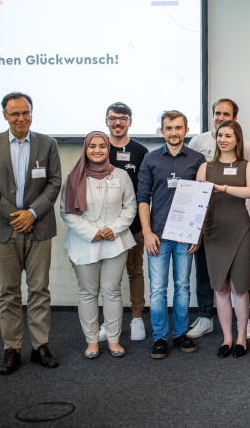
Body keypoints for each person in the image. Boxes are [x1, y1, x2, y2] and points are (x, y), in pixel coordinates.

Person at [0, 92, 62, 375]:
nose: (21, 118)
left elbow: (54, 182)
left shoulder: (47, 143)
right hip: (4, 229)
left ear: (31, 114)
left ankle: (40, 346)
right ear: (5, 116)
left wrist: (32, 213)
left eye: (26, 112)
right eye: (15, 113)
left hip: (39, 227)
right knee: (9, 292)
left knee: (39, 290)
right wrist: (15, 216)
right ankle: (11, 348)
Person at [60, 131, 137, 358]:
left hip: (115, 242)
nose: (97, 150)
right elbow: (66, 211)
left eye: (102, 146)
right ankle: (92, 341)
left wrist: (115, 229)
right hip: (84, 243)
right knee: (87, 293)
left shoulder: (121, 175)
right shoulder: (73, 177)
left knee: (112, 292)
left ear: (108, 149)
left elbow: (130, 206)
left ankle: (113, 340)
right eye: (92, 146)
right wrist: (91, 233)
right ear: (85, 149)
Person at [187, 98, 250, 340]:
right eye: (220, 135)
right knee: (221, 287)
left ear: (237, 139)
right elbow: (197, 204)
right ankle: (227, 338)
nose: (223, 139)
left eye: (228, 135)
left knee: (240, 287)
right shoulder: (205, 167)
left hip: (239, 230)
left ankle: (241, 336)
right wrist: (195, 233)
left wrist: (222, 187)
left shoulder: (247, 165)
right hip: (213, 231)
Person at [137, 110, 204, 359]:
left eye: (178, 127)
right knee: (157, 289)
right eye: (169, 128)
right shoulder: (150, 159)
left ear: (186, 130)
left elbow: (203, 198)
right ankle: (159, 337)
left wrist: (197, 233)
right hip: (158, 234)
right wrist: (147, 233)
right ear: (162, 131)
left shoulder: (197, 159)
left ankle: (180, 334)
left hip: (185, 235)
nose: (173, 132)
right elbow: (142, 198)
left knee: (183, 286)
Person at [103, 102, 149, 342]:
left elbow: (146, 190)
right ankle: (110, 321)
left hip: (134, 226)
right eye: (113, 118)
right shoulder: (99, 148)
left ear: (130, 121)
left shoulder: (141, 151)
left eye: (123, 118)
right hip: (106, 227)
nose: (118, 122)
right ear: (106, 121)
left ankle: (137, 318)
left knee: (135, 271)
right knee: (109, 276)